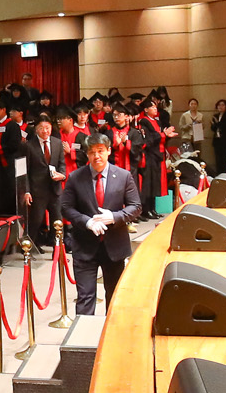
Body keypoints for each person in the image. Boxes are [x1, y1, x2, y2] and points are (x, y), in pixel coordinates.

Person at [57, 134, 141, 315]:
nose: (97, 156)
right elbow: (66, 208)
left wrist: (115, 216)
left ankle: (110, 340)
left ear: (109, 151)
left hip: (115, 246)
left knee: (114, 297)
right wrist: (86, 222)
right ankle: (84, 340)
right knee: (85, 297)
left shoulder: (123, 176)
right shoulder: (75, 177)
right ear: (87, 154)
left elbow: (136, 207)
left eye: (101, 151)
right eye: (92, 152)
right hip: (85, 245)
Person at [21, 116, 65, 249]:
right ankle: (28, 247)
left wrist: (62, 175)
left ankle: (58, 251)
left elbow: (61, 164)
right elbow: (25, 171)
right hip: (37, 190)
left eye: (47, 128)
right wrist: (26, 191)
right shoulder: (29, 145)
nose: (45, 131)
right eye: (41, 128)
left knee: (57, 221)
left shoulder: (57, 143)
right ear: (36, 130)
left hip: (55, 189)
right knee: (36, 221)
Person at [209, 99, 226, 175]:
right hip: (217, 141)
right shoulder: (215, 116)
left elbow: (225, 127)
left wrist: (216, 123)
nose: (221, 107)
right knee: (218, 159)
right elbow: (213, 129)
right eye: (219, 105)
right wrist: (213, 124)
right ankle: (219, 174)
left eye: (223, 105)